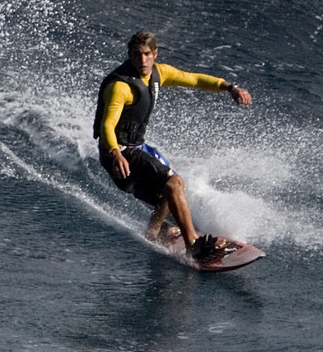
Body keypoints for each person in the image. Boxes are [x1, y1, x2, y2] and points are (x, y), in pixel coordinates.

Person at [93, 29, 252, 262]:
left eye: (147, 54)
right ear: (129, 55)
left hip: (137, 147)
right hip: (119, 153)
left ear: (155, 54)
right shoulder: (121, 86)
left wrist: (229, 87)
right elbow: (108, 125)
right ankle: (194, 246)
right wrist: (116, 153)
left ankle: (154, 231)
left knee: (169, 189)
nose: (142, 60)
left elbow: (195, 79)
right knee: (173, 182)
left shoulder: (159, 73)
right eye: (136, 55)